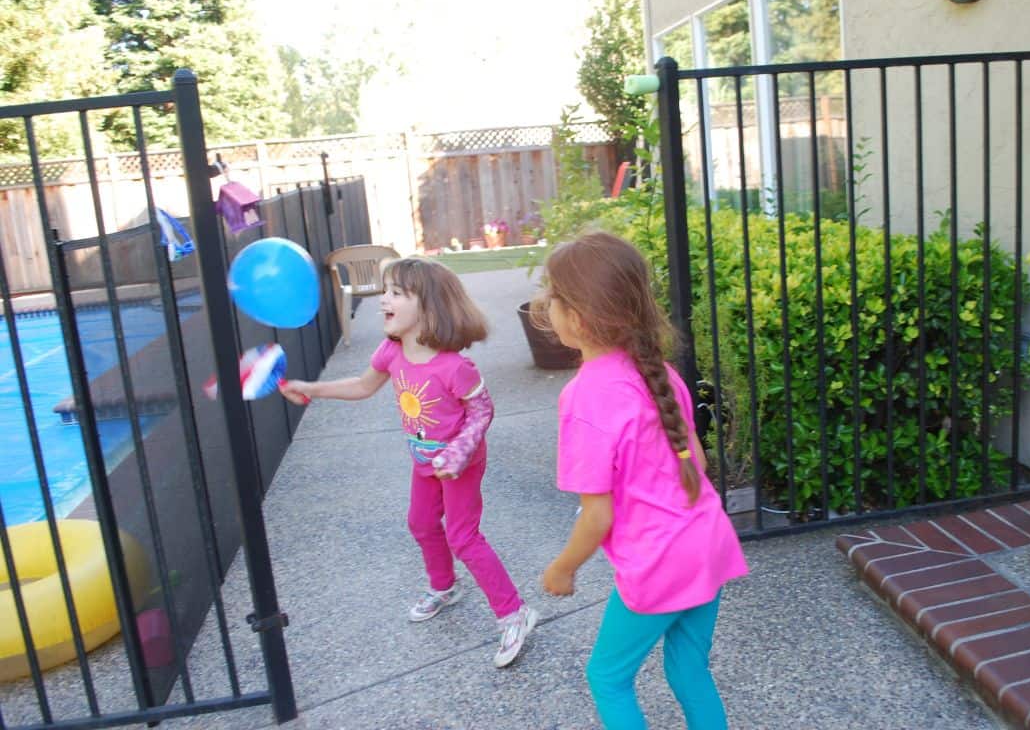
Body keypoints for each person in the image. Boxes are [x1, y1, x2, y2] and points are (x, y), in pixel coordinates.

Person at [281, 255, 536, 668]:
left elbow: (482, 412)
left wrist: (458, 451)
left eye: (397, 293)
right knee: (420, 523)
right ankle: (445, 586)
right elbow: (363, 386)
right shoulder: (392, 352)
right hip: (424, 463)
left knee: (463, 537)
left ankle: (514, 613)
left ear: (429, 306)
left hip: (459, 464)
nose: (384, 299)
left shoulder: (456, 366)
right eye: (385, 291)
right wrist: (312, 388)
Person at [537, 232, 749, 729]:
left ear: (580, 318)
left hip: (659, 562)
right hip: (707, 540)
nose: (547, 306)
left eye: (554, 296)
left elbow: (598, 515)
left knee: (607, 677)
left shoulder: (585, 397)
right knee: (689, 667)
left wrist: (562, 569)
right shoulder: (658, 370)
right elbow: (694, 459)